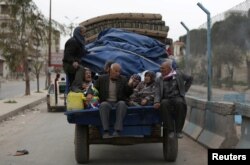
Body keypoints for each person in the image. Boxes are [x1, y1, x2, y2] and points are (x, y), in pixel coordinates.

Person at [154, 59, 193, 138]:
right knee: (164, 104)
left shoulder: (178, 74)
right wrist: (156, 102)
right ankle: (170, 130)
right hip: (166, 98)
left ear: (169, 68)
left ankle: (179, 131)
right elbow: (157, 92)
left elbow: (190, 79)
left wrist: (184, 90)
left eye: (163, 68)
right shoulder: (159, 79)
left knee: (180, 103)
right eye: (160, 68)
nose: (161, 70)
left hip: (177, 97)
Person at [94, 63, 134, 138]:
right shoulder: (101, 79)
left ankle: (117, 130)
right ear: (110, 70)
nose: (118, 73)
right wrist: (90, 94)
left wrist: (129, 85)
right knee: (103, 105)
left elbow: (128, 93)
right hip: (106, 102)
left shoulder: (123, 79)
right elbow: (94, 89)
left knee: (122, 104)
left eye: (119, 71)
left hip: (118, 102)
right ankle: (106, 131)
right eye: (116, 71)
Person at [62, 26, 88, 93]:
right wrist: (73, 62)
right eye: (83, 32)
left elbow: (83, 51)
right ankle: (75, 86)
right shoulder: (72, 41)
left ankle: (74, 88)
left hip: (74, 64)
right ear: (78, 33)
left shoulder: (79, 42)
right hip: (68, 64)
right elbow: (67, 55)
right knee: (81, 68)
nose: (84, 34)